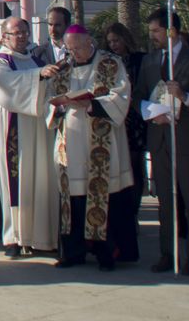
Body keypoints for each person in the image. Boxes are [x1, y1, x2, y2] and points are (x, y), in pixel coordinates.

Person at [42, 26, 133, 270]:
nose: (75, 54)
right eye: (70, 49)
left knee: (103, 197)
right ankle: (73, 253)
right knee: (72, 201)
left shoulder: (110, 63)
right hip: (70, 144)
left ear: (90, 42)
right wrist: (59, 106)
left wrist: (92, 104)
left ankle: (106, 254)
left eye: (79, 48)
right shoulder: (63, 67)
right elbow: (49, 100)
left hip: (101, 143)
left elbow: (121, 96)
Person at [142, 10, 189, 275]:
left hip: (186, 140)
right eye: (150, 32)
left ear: (172, 31)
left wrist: (184, 97)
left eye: (157, 31)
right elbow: (139, 97)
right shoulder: (150, 61)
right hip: (160, 139)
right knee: (165, 202)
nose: (153, 36)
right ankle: (167, 253)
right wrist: (151, 114)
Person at [0, 16, 59, 258]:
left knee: (40, 179)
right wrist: (39, 76)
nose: (21, 37)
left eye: (24, 32)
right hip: (14, 132)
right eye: (15, 33)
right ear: (4, 36)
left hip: (39, 132)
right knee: (15, 182)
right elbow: (7, 86)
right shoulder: (0, 62)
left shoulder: (36, 59)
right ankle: (14, 237)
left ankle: (40, 236)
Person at [106, 22, 149, 246]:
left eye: (117, 40)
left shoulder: (140, 60)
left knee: (135, 166)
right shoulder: (107, 62)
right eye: (110, 41)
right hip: (115, 119)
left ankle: (134, 211)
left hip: (134, 119)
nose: (114, 45)